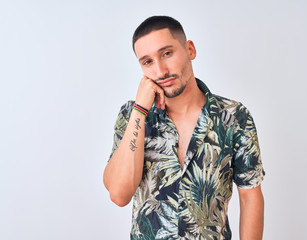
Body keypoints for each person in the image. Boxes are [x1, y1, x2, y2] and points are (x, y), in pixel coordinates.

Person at [103, 15, 265, 239]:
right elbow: (119, 195)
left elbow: (250, 197)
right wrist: (140, 110)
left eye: (166, 53)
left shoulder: (234, 116)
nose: (160, 71)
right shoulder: (132, 115)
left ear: (190, 50)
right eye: (147, 62)